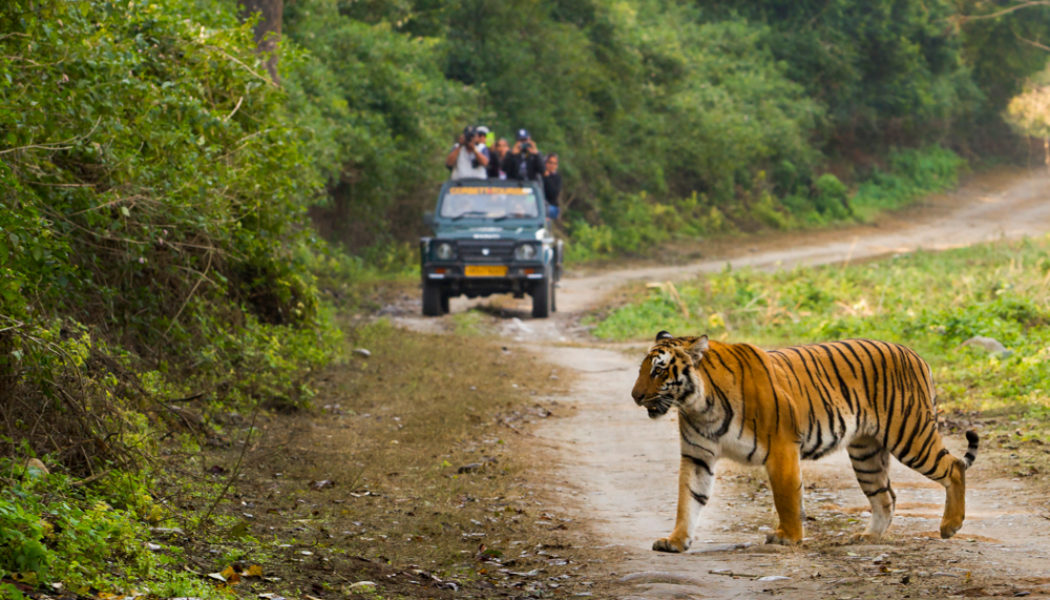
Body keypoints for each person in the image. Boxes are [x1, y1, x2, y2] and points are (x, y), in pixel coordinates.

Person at [542, 152, 562, 220]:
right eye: (550, 162)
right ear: (545, 163)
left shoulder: (557, 177)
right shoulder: (539, 175)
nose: (552, 165)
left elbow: (553, 194)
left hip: (551, 206)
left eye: (554, 163)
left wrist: (547, 177)